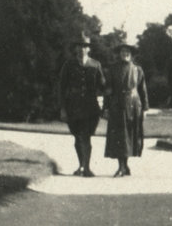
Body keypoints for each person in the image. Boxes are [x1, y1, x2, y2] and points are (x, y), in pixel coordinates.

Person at [58, 33, 106, 177]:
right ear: (75, 48)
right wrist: (63, 108)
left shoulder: (95, 64)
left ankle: (87, 167)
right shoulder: (69, 64)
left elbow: (102, 84)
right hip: (73, 106)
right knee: (78, 136)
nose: (82, 49)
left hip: (91, 107)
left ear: (88, 49)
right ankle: (81, 166)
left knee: (87, 136)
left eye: (85, 46)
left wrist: (107, 94)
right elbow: (61, 87)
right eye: (79, 46)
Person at [103, 42, 148, 177]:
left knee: (129, 136)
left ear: (132, 54)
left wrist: (145, 109)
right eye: (123, 51)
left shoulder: (138, 70)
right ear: (119, 54)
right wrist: (106, 107)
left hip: (134, 105)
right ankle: (122, 167)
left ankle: (125, 166)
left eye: (128, 52)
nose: (125, 54)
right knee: (119, 137)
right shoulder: (112, 69)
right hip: (117, 105)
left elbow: (143, 90)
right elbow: (108, 90)